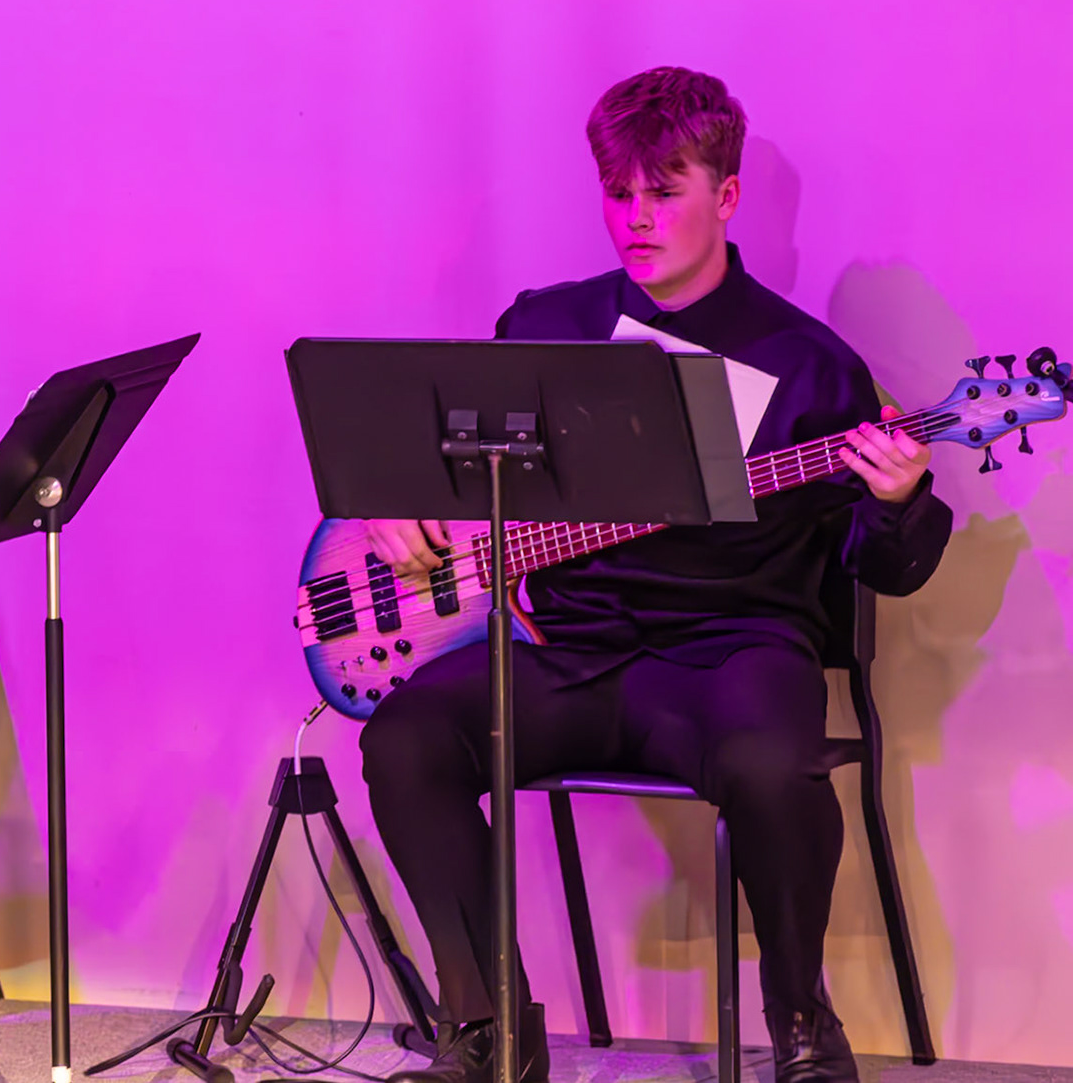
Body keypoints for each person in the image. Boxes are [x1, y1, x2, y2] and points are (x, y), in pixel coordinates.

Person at [359, 67, 951, 1083]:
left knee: (774, 764)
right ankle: (487, 1025)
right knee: (407, 735)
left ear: (724, 197)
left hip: (733, 655)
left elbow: (877, 568)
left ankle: (803, 1023)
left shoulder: (812, 366)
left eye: (664, 191)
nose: (635, 218)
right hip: (570, 651)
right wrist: (410, 513)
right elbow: (459, 477)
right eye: (618, 193)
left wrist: (899, 501)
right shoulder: (545, 329)